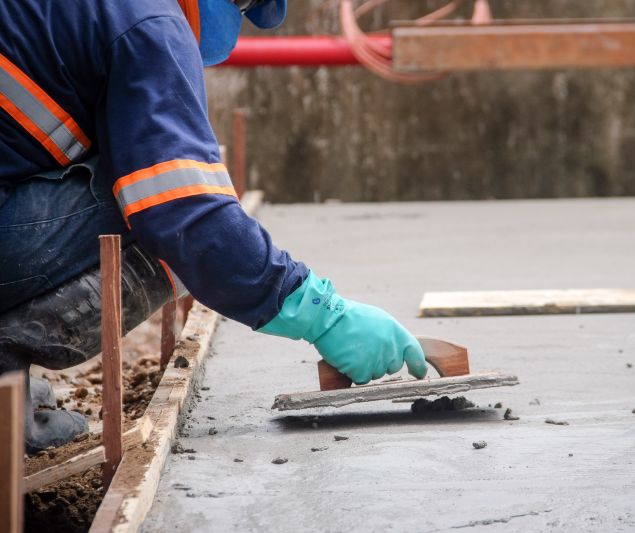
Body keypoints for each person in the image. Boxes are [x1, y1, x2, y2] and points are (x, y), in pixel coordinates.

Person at [0, 0, 426, 452]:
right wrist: (322, 314)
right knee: (169, 215)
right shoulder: (148, 22)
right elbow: (189, 213)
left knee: (154, 171)